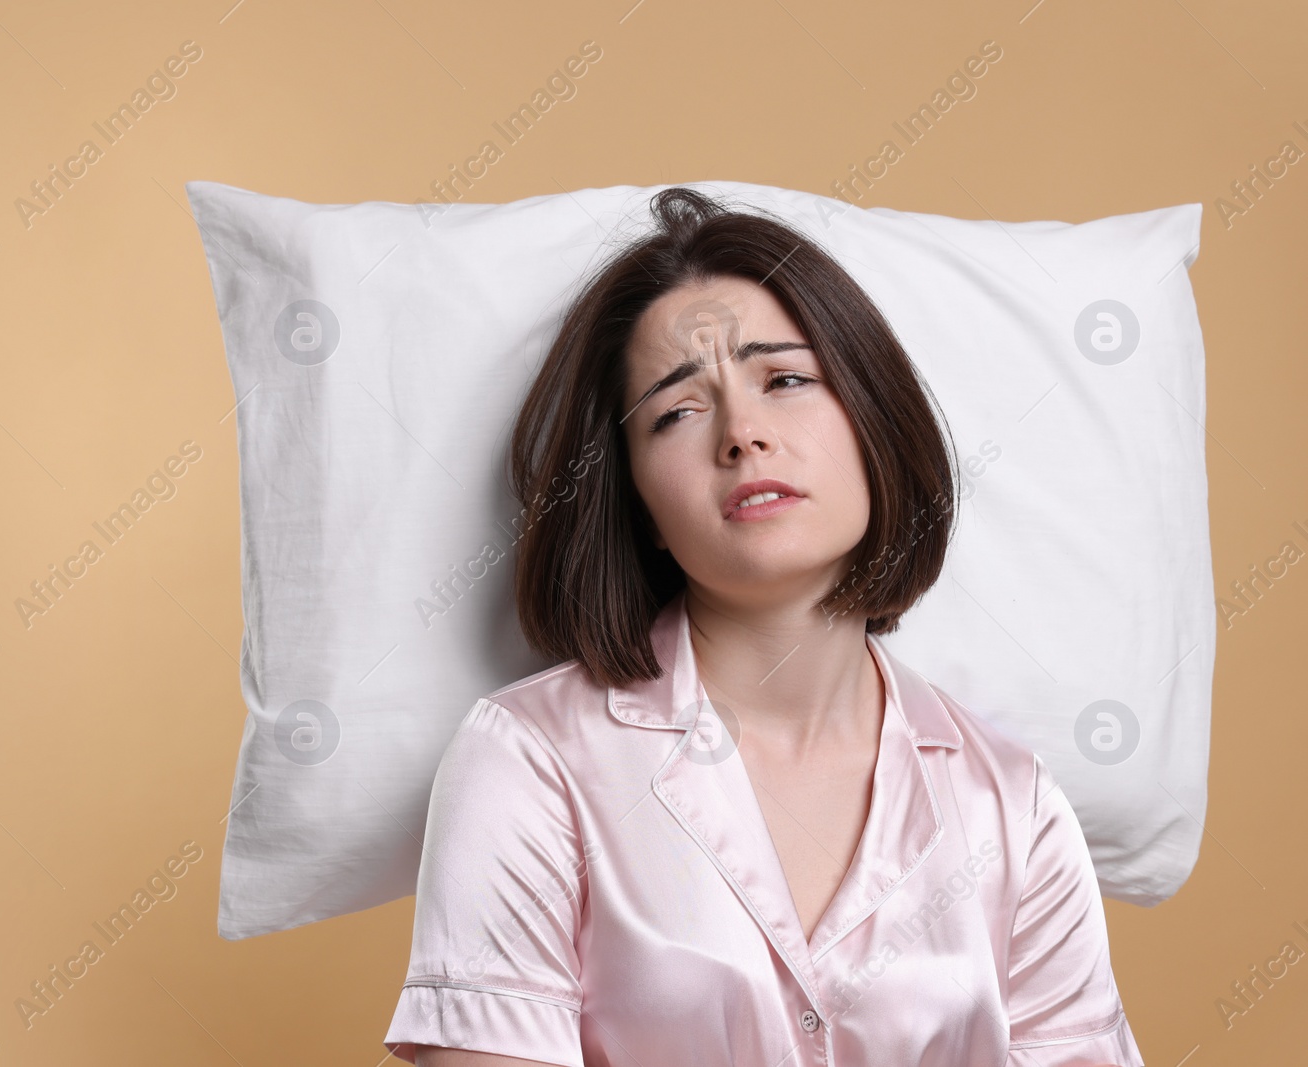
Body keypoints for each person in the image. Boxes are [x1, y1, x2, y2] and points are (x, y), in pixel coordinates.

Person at [381, 187, 1143, 1067]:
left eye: (785, 379)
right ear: (639, 503)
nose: (743, 433)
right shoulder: (531, 760)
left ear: (874, 421)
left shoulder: (1012, 803)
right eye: (677, 411)